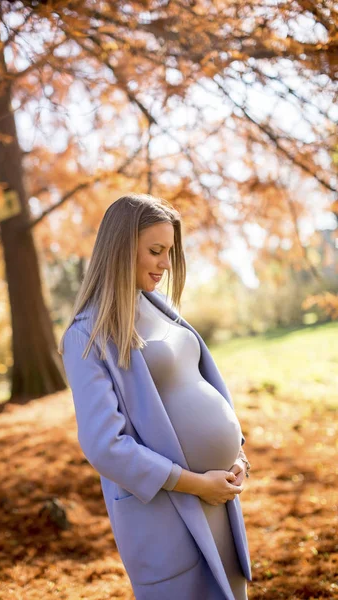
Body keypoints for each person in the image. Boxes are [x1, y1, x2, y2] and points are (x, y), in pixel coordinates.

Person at [58, 193, 252, 600]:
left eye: (170, 251)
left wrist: (236, 454)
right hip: (169, 512)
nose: (166, 263)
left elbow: (198, 383)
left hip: (218, 496)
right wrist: (197, 484)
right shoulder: (86, 335)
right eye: (156, 251)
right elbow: (105, 447)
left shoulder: (159, 306)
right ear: (121, 249)